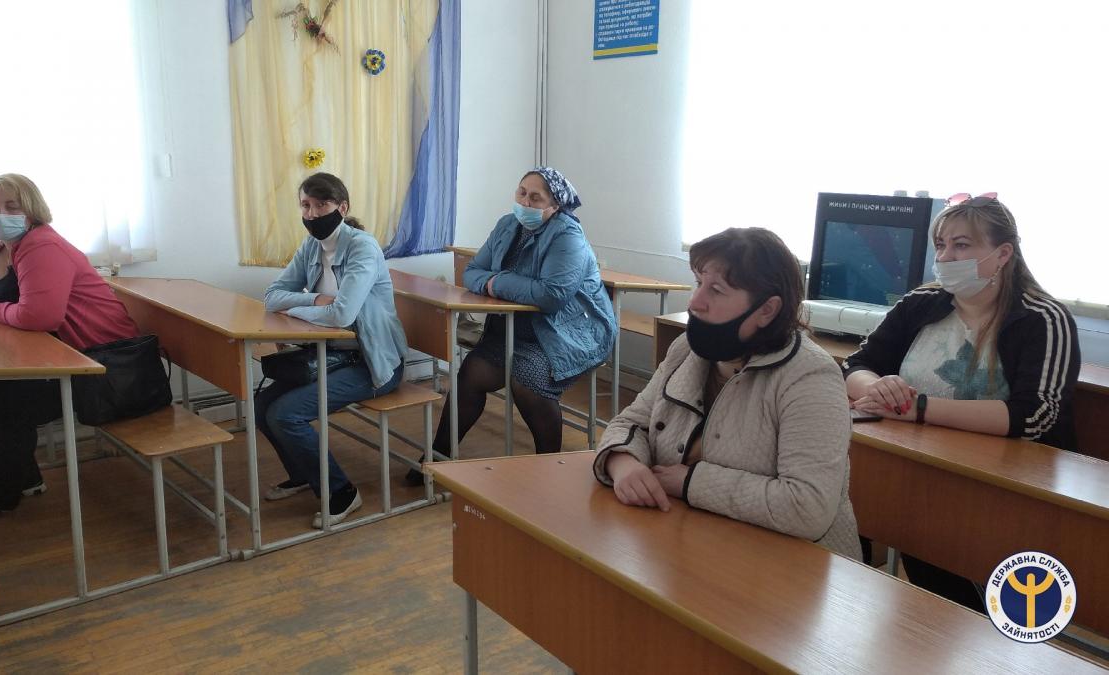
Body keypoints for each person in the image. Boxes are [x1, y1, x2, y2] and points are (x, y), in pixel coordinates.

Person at [843, 192, 1080, 610]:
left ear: (1003, 253)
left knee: (949, 567)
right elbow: (856, 365)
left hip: (1003, 485)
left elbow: (1036, 415)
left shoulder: (1043, 318)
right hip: (917, 468)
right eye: (941, 245)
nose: (946, 257)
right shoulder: (920, 302)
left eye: (962, 245)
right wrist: (877, 388)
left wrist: (917, 410)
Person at [592, 227, 861, 560]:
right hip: (694, 544)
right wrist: (623, 463)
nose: (695, 302)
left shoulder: (811, 377)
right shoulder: (686, 350)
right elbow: (630, 422)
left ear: (767, 310)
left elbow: (807, 507)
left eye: (716, 290)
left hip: (794, 568)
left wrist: (690, 483)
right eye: (699, 283)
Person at [0, 173, 141, 521]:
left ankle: (1, 492)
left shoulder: (42, 247)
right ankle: (24, 475)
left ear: (32, 210)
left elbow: (40, 316)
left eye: (12, 206)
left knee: (8, 407)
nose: (0, 214)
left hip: (101, 362)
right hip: (52, 352)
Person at [406, 167, 616, 485]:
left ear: (555, 205)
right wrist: (497, 282)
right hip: (514, 328)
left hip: (565, 333)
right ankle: (439, 455)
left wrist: (496, 282)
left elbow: (551, 295)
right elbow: (472, 272)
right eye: (522, 192)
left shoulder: (567, 237)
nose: (525, 202)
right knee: (471, 373)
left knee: (527, 381)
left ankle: (549, 466)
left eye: (536, 197)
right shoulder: (508, 224)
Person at [259, 172, 408, 528]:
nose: (311, 214)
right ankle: (304, 473)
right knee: (262, 406)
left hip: (374, 362)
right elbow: (271, 297)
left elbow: (342, 314)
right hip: (334, 355)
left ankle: (342, 492)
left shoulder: (362, 247)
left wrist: (296, 308)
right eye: (305, 205)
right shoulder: (311, 246)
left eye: (321, 205)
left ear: (342, 207)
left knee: (285, 414)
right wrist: (315, 300)